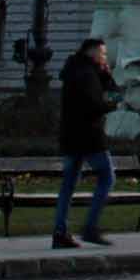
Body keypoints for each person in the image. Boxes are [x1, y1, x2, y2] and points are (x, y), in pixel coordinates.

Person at [53, 37, 122, 250]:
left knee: (68, 185)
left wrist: (105, 72)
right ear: (91, 52)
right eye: (102, 53)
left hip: (71, 136)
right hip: (88, 137)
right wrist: (112, 106)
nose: (104, 57)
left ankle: (60, 232)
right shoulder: (85, 75)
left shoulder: (78, 70)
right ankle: (90, 227)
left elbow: (108, 86)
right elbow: (92, 106)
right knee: (107, 176)